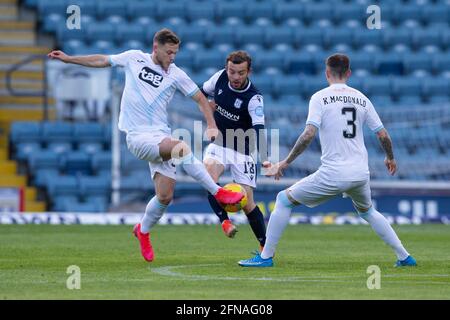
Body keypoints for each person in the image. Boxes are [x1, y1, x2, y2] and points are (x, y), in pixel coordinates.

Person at [48, 28, 244, 263]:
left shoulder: (176, 73)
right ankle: (218, 191)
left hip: (161, 136)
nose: (172, 57)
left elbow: (201, 99)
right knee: (181, 148)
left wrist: (211, 124)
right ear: (156, 47)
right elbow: (102, 60)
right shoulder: (134, 58)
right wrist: (70, 58)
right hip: (138, 137)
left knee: (164, 196)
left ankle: (142, 230)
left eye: (175, 53)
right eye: (169, 52)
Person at [238, 53, 416, 268]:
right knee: (368, 211)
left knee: (283, 200)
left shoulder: (320, 97)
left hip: (334, 173)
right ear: (348, 73)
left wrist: (284, 163)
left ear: (327, 73)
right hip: (360, 173)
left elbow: (308, 134)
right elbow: (383, 135)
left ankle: (265, 257)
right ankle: (404, 256)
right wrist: (390, 157)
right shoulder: (362, 98)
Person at [201, 51, 271, 250]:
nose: (235, 77)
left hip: (242, 149)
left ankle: (264, 248)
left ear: (249, 71)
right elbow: (200, 95)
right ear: (227, 69)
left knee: (247, 203)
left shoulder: (254, 98)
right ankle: (225, 221)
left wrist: (265, 158)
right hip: (219, 144)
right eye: (232, 72)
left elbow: (259, 129)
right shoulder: (219, 78)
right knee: (208, 177)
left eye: (241, 73)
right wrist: (209, 117)